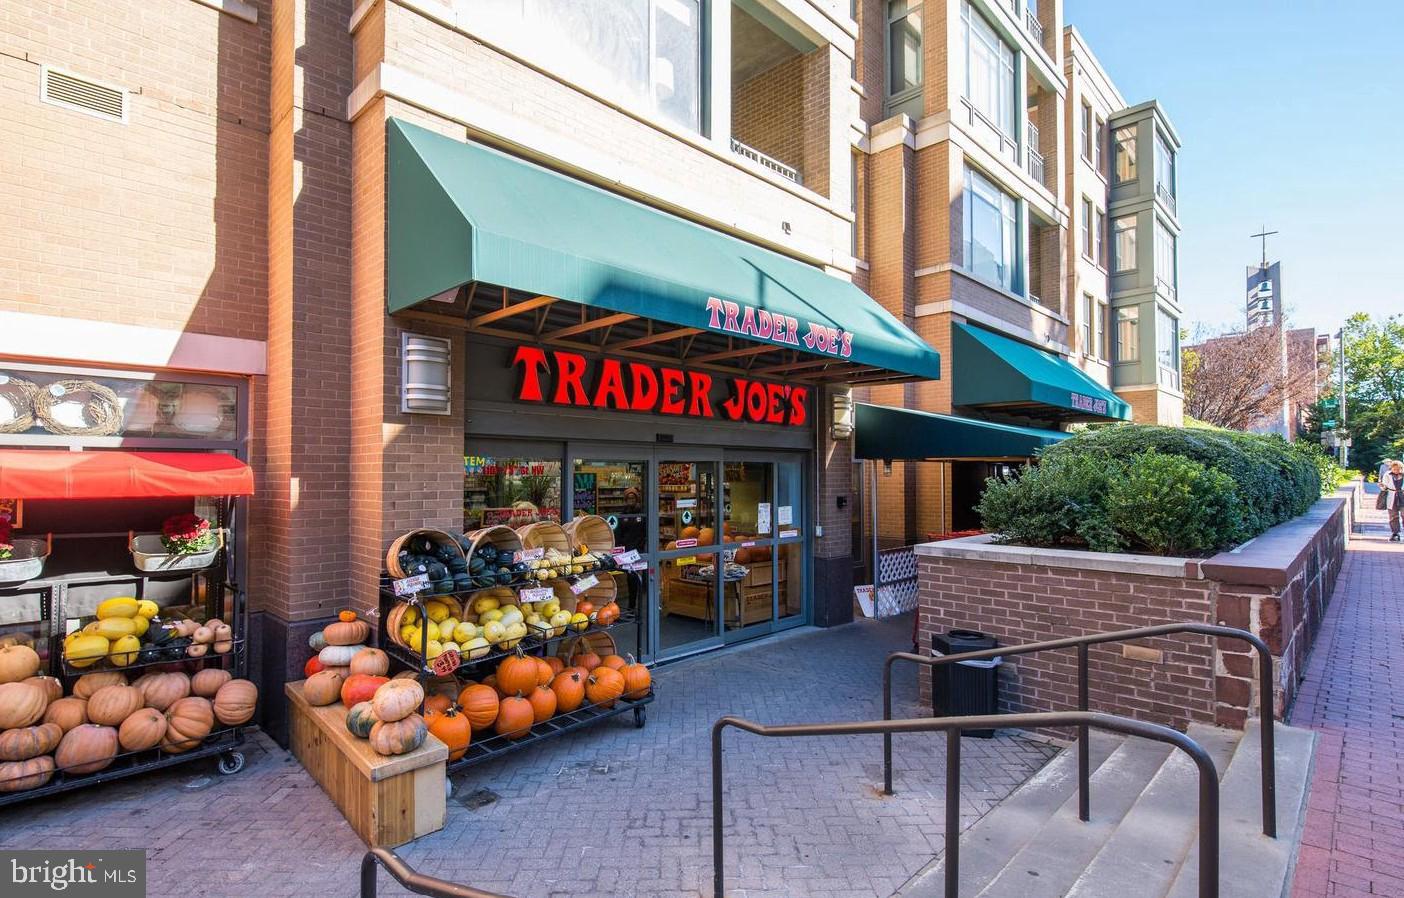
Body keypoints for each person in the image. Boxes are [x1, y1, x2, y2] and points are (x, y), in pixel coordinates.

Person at [1385, 460, 1404, 542]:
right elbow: (1384, 486)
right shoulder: (1387, 475)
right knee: (1393, 516)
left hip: (1402, 496)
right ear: (1391, 468)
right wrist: (1382, 486)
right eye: (1394, 469)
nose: (1396, 471)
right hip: (1392, 497)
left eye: (1398, 469)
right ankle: (1395, 533)